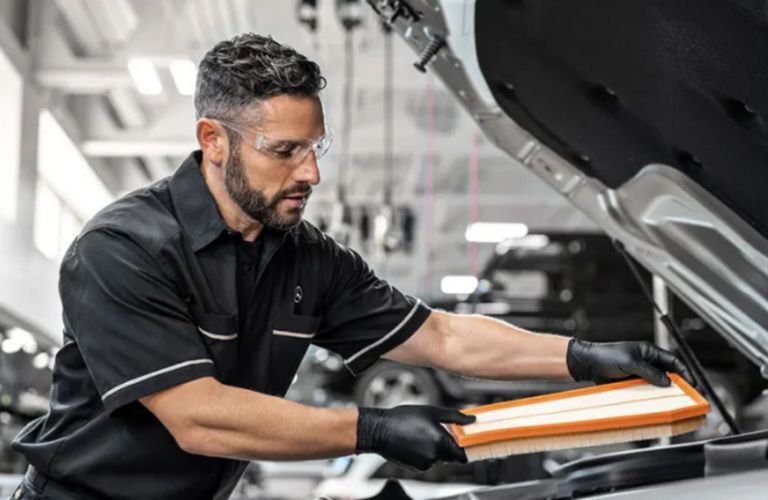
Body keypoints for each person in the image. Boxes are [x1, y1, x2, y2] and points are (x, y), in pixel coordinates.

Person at [10, 33, 693, 500]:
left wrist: (581, 357)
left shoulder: (307, 257)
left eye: (316, 148)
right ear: (213, 141)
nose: (310, 173)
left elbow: (444, 338)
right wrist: (370, 429)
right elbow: (198, 418)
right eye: (284, 150)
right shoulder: (122, 249)